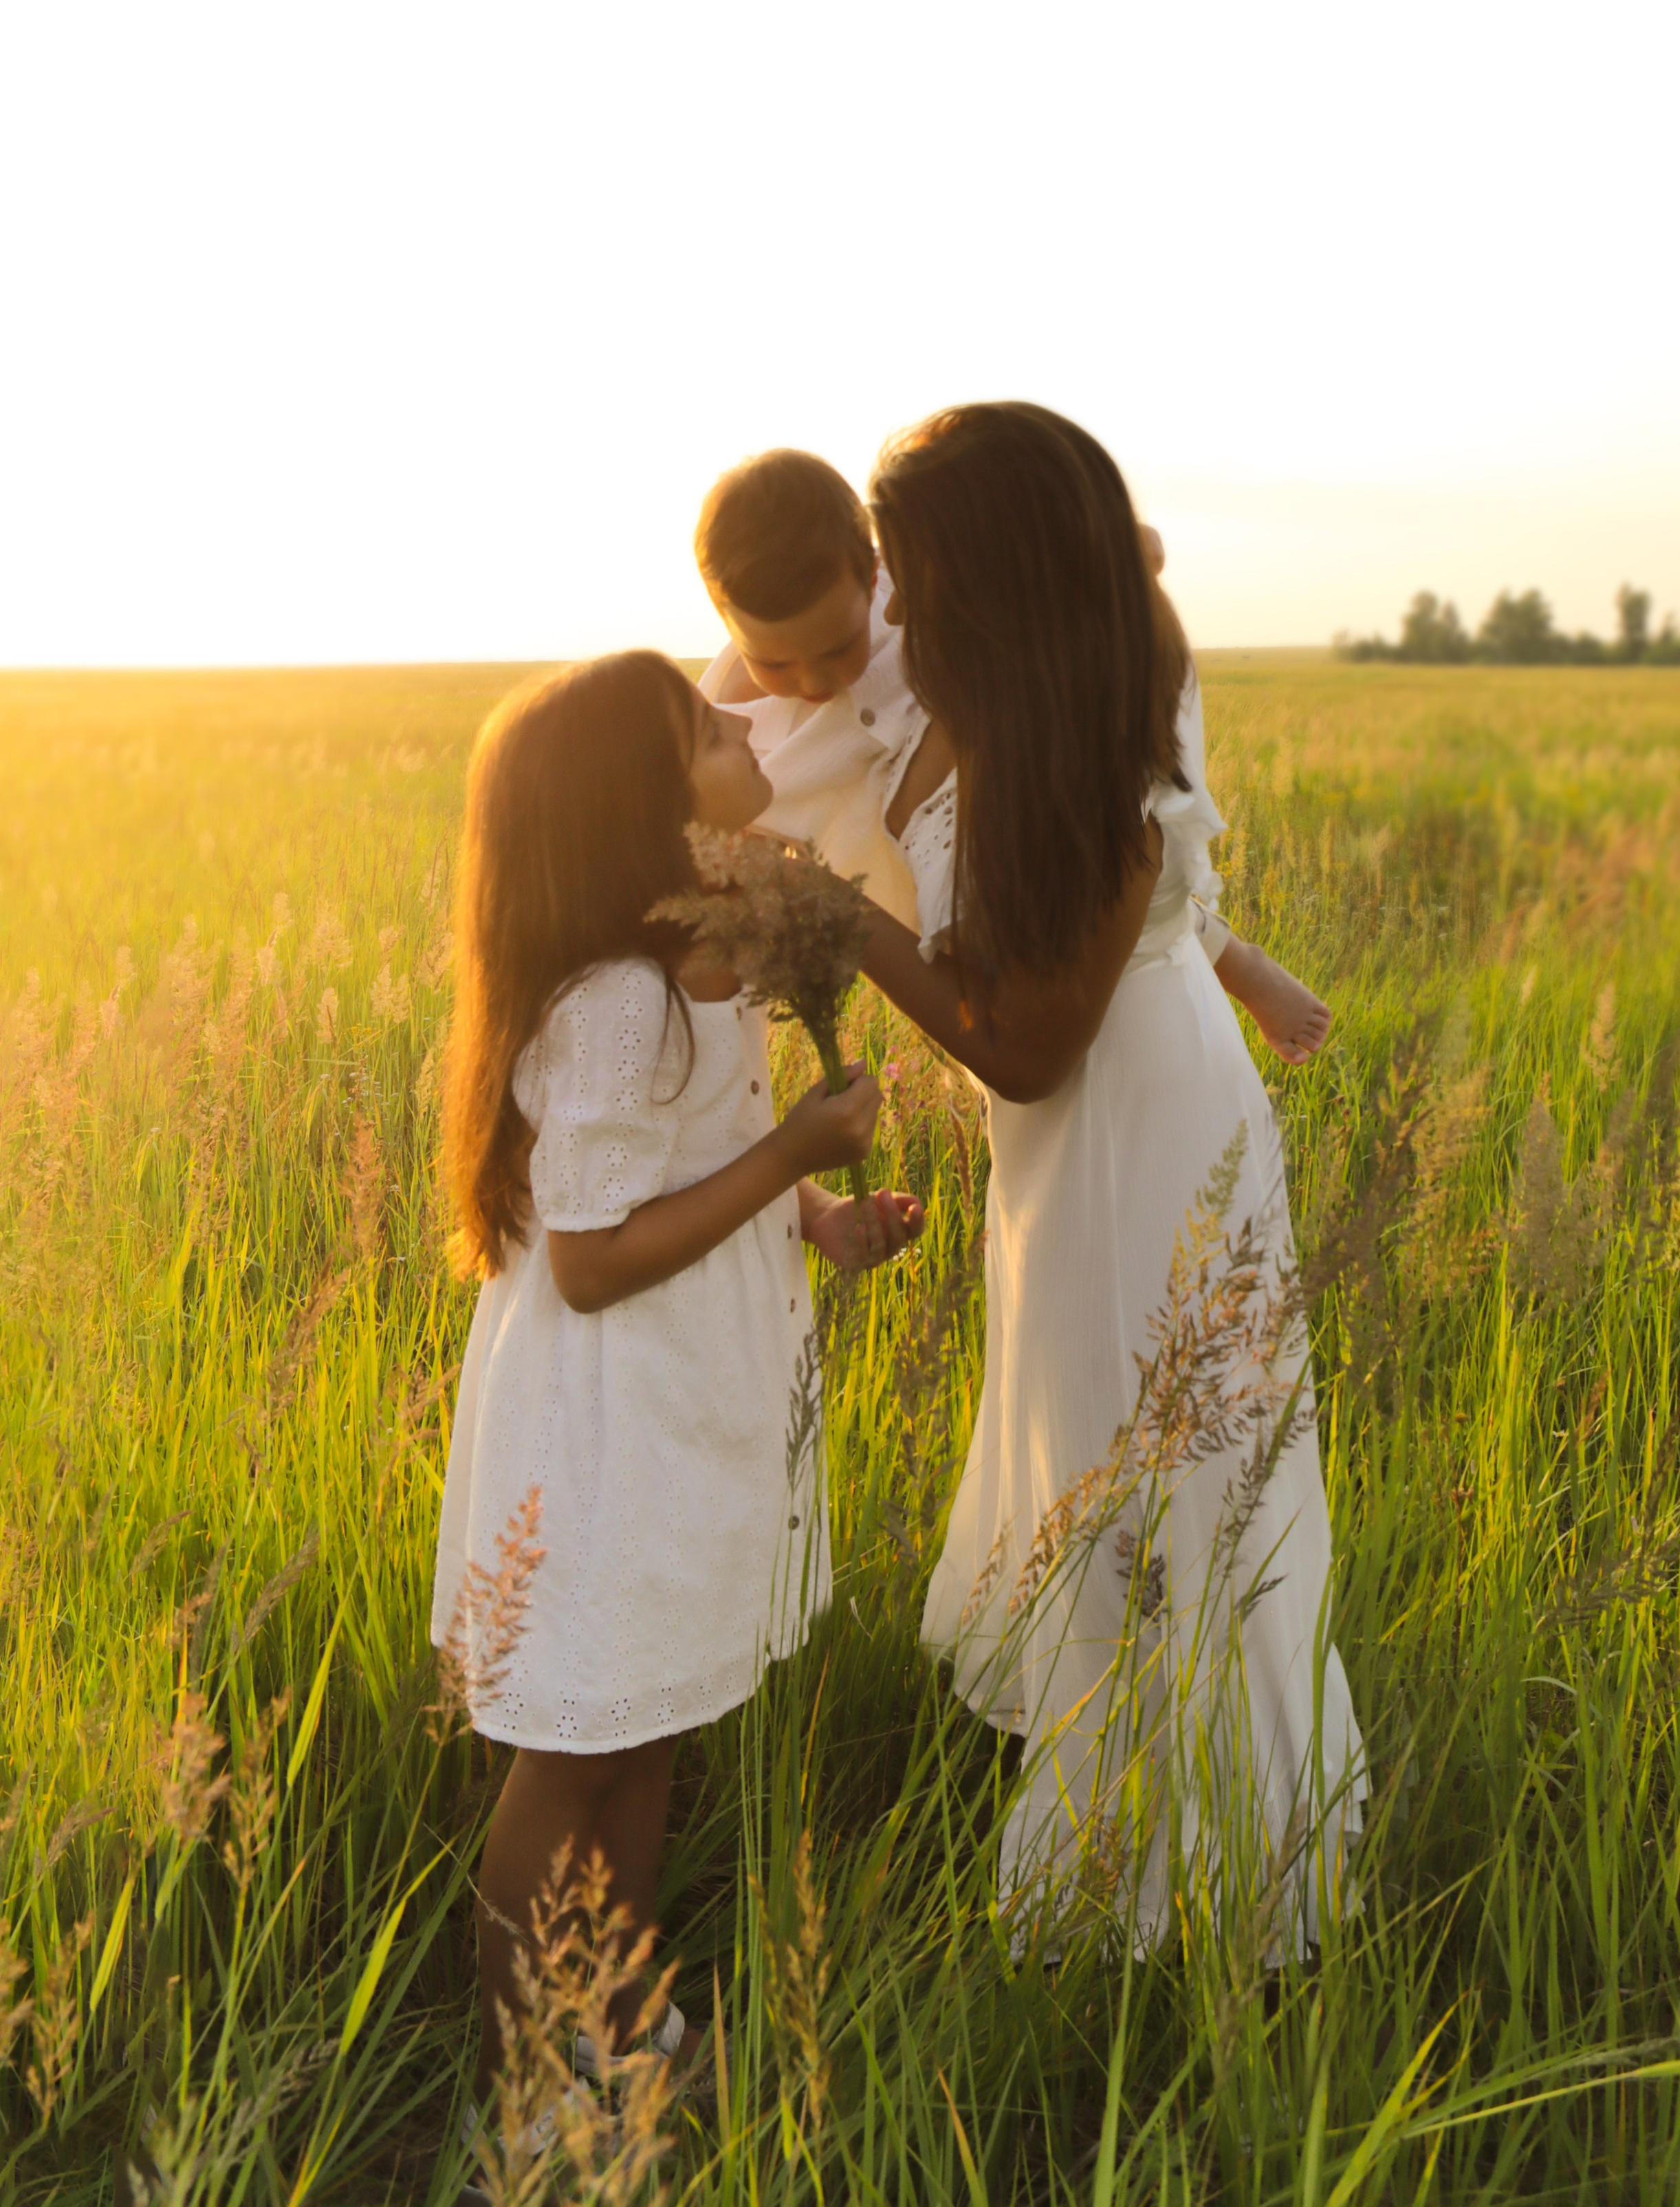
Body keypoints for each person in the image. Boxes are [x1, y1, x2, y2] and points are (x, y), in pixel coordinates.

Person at [858, 403, 1365, 1952]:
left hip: (1140, 1132)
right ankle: (1107, 1756)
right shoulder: (995, 681)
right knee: (1083, 1445)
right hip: (1066, 1155)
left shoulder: (1088, 741)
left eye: (909, 565)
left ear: (981, 575)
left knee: (1165, 1476)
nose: (889, 596)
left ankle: (1190, 1867)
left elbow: (1021, 1047)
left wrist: (838, 927)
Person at [431, 652, 919, 2171]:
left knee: (644, 1720)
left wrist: (817, 1224)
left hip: (680, 1391)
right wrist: (792, 1160)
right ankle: (531, 2072)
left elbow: (676, 1174)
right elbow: (586, 1261)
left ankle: (616, 2020)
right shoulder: (617, 1006)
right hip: (606, 1415)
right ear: (643, 810)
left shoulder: (702, 960)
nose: (740, 725)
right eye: (706, 731)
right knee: (573, 1741)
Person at [695, 445, 1332, 1063]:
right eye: (774, 661)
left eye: (838, 646)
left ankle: (1236, 962)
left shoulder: (919, 579)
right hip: (913, 920)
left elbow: (1133, 547)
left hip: (990, 819)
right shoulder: (728, 723)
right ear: (724, 621)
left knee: (1097, 880)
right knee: (999, 1025)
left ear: (872, 572)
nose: (813, 681)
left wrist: (1109, 549)